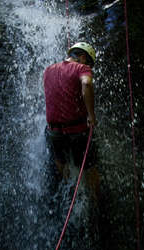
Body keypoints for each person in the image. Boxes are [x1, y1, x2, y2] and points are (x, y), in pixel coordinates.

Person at [43, 42, 99, 201]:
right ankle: (96, 202)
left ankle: (68, 194)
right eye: (89, 62)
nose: (89, 67)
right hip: (77, 131)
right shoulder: (82, 68)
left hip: (54, 131)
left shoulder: (48, 70)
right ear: (82, 57)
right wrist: (91, 116)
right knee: (89, 167)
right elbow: (87, 83)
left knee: (61, 160)